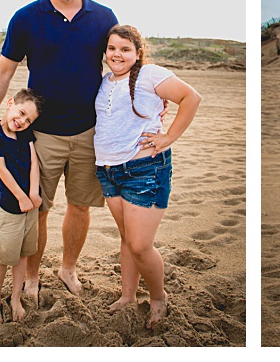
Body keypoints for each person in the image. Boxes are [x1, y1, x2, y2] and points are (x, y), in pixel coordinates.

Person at [0, 0, 118, 301]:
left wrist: (154, 94)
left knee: (81, 205)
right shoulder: (26, 17)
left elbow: (123, 63)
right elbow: (5, 69)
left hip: (90, 131)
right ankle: (33, 275)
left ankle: (68, 268)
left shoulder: (104, 17)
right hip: (39, 135)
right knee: (38, 207)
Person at [95, 24, 202, 331]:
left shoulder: (149, 74)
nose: (118, 54)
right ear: (105, 52)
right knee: (127, 239)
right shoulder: (104, 82)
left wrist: (168, 136)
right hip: (108, 171)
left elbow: (191, 97)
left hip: (144, 170)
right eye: (113, 48)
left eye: (126, 49)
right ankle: (127, 296)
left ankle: (158, 297)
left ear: (138, 53)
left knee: (141, 245)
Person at [0, 88, 43, 325]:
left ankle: (15, 298)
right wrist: (20, 197)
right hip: (10, 206)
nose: (22, 121)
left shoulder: (25, 134)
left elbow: (33, 162)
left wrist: (34, 192)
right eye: (20, 113)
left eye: (28, 119)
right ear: (10, 104)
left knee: (23, 256)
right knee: (5, 256)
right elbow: (1, 169)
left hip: (30, 205)